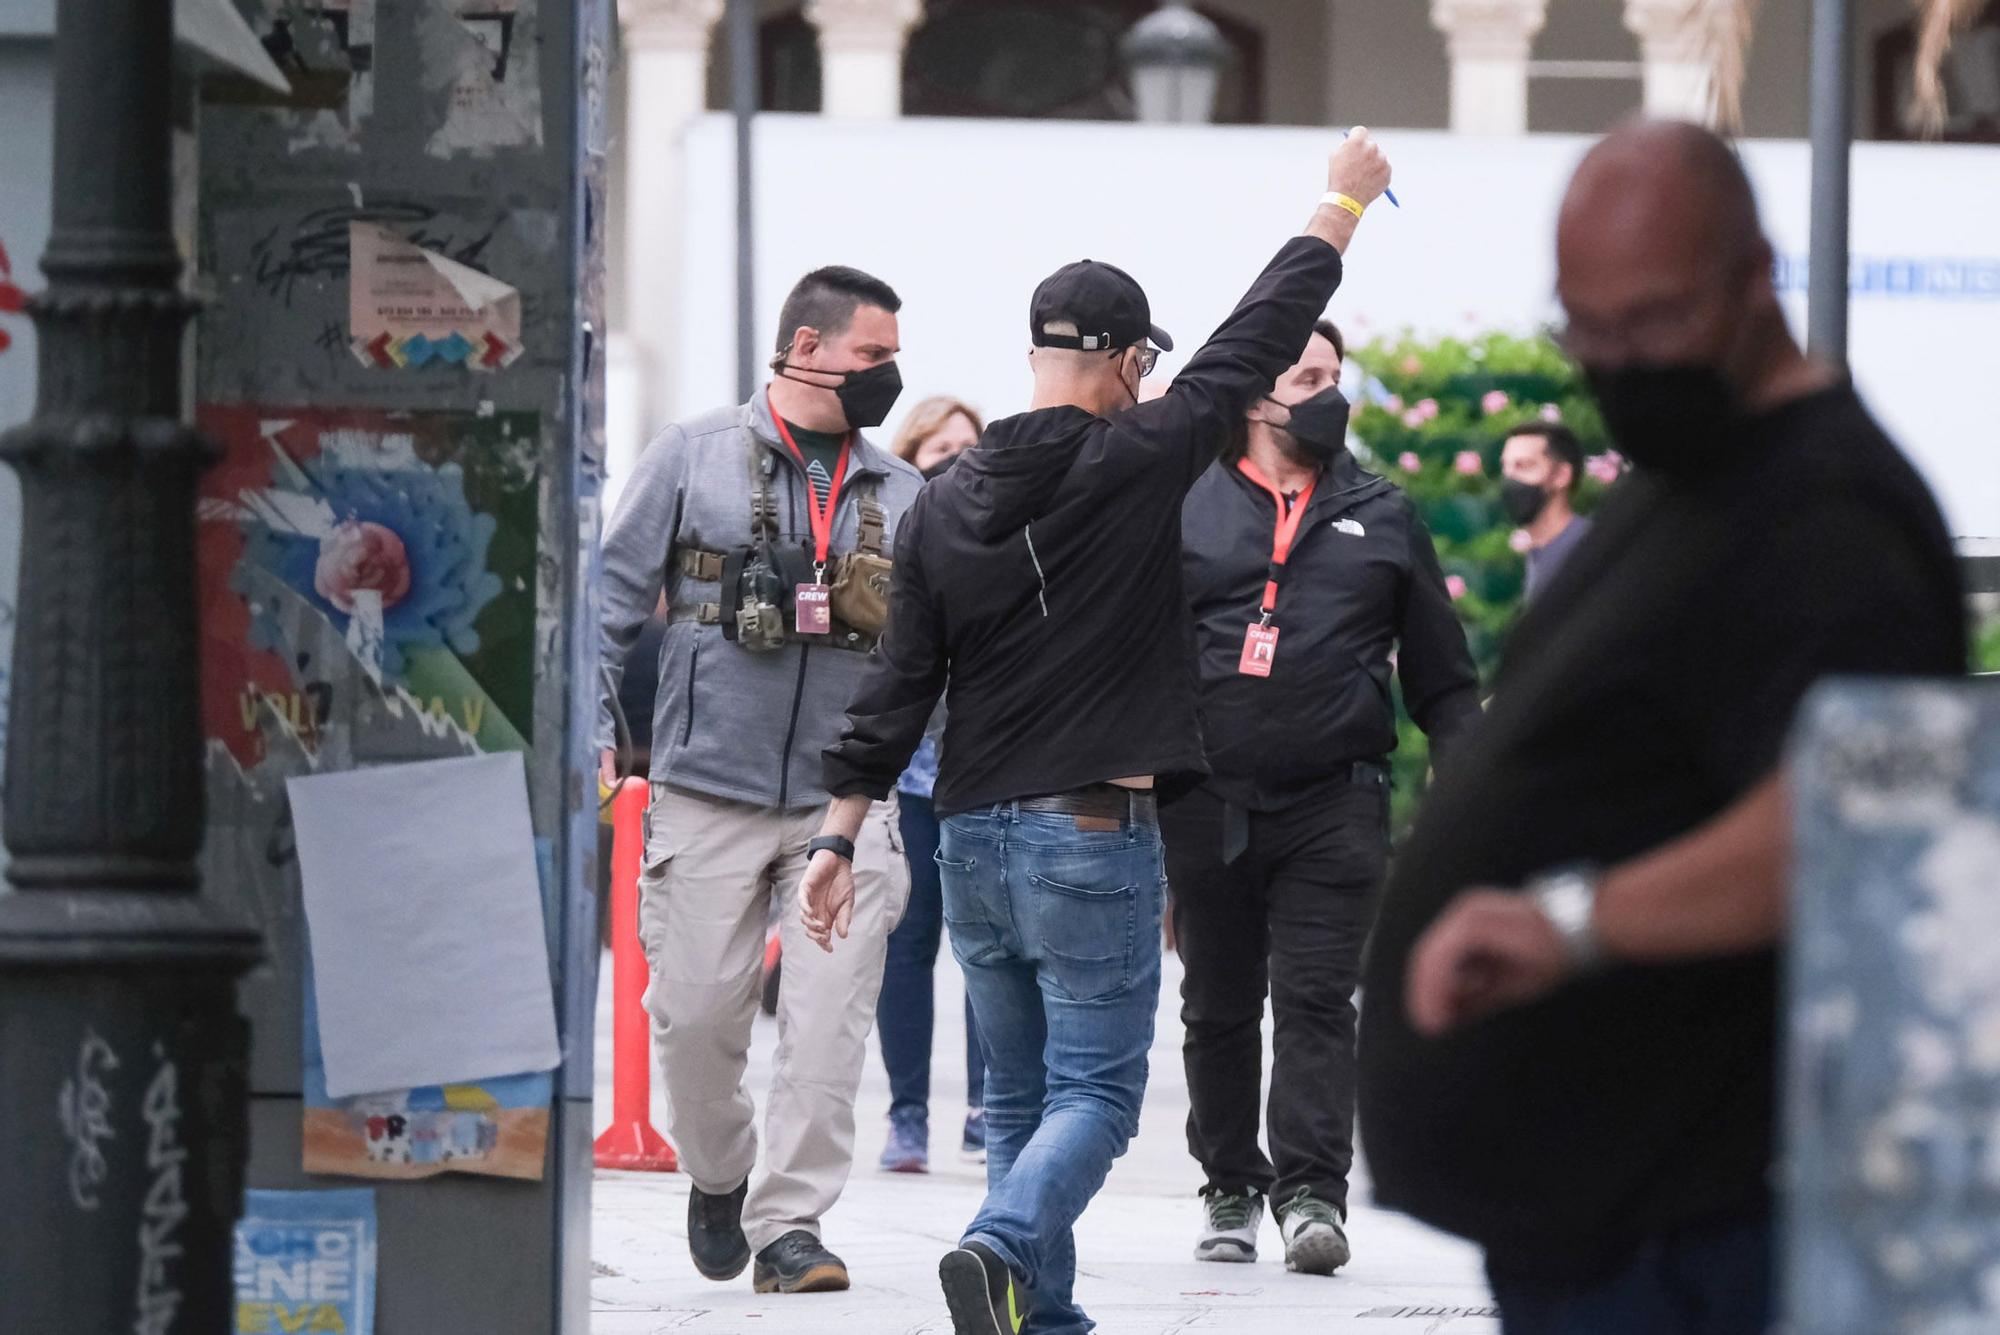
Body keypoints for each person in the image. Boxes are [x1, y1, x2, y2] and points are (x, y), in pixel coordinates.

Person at [1355, 121, 1966, 1335]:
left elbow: (1855, 822)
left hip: (1689, 1230)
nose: (1615, 360)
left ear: (1753, 276)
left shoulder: (1828, 516)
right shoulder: (1692, 470)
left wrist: (1567, 922)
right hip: (1602, 1222)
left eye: (1650, 323)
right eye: (1585, 327)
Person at [802, 129, 1395, 1335]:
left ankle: (1040, 1315)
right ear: (1126, 361)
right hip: (1090, 828)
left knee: (1016, 1096)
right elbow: (1259, 334)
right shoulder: (1141, 450)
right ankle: (1001, 1242)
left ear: (1031, 356)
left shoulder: (938, 504)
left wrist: (835, 831)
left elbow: (898, 682)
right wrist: (1343, 201)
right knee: (1100, 1097)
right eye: (1140, 364)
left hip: (966, 836)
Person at [595, 265, 923, 1296]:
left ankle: (790, 1228)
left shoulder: (905, 494)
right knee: (692, 1019)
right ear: (808, 347)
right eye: (874, 355)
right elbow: (609, 597)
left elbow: (931, 655)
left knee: (826, 1024)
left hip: (846, 802)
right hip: (703, 787)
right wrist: (598, 727)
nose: (890, 374)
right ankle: (720, 1171)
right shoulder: (691, 457)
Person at [1170, 319, 1480, 1274]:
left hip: (1337, 797)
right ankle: (1229, 1183)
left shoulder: (1384, 512)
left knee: (1316, 999)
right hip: (1206, 794)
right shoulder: (1186, 504)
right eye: (1307, 376)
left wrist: (1471, 786)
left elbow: (1442, 676)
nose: (1327, 393)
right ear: (1257, 398)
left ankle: (1311, 1193)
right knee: (1219, 1001)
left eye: (1334, 376)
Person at [877, 395, 991, 1174]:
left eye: (966, 447)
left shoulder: (1007, 532)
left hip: (985, 771)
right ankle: (907, 1114)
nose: (953, 459)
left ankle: (991, 1107)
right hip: (912, 774)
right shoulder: (886, 534)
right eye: (938, 448)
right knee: (907, 946)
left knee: (989, 947)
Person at [1498, 421, 1591, 602]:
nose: (1509, 478)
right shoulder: (1535, 554)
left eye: (1523, 466)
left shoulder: (1587, 550)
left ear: (1561, 476)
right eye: (1505, 467)